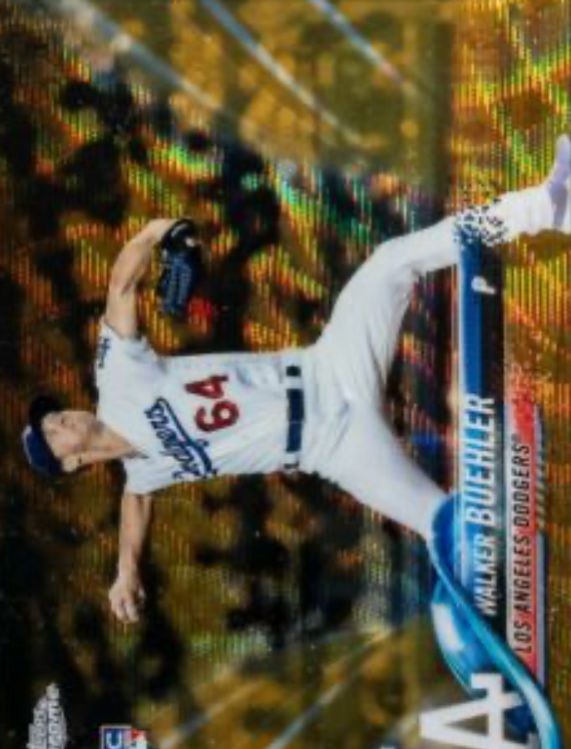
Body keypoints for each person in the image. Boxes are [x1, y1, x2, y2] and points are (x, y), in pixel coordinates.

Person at [22, 135, 571, 625]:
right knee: (438, 524)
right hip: (333, 447)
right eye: (52, 434)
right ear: (72, 463)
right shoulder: (144, 472)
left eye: (51, 417)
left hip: (328, 366)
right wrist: (125, 572)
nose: (58, 420)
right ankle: (508, 610)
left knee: (389, 263)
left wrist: (161, 231)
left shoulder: (116, 379)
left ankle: (546, 205)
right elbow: (135, 504)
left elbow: (120, 285)